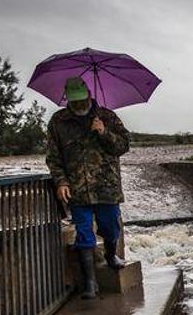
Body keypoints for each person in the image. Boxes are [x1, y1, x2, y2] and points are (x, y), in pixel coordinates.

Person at [46, 76, 130, 299]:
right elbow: (54, 158)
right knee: (84, 234)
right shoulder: (58, 122)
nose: (80, 105)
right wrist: (61, 182)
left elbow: (123, 146)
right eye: (75, 102)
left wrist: (104, 132)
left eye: (82, 100)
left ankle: (111, 256)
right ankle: (90, 284)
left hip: (106, 186)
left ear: (89, 96)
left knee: (111, 226)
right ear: (68, 99)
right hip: (77, 189)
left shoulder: (107, 117)